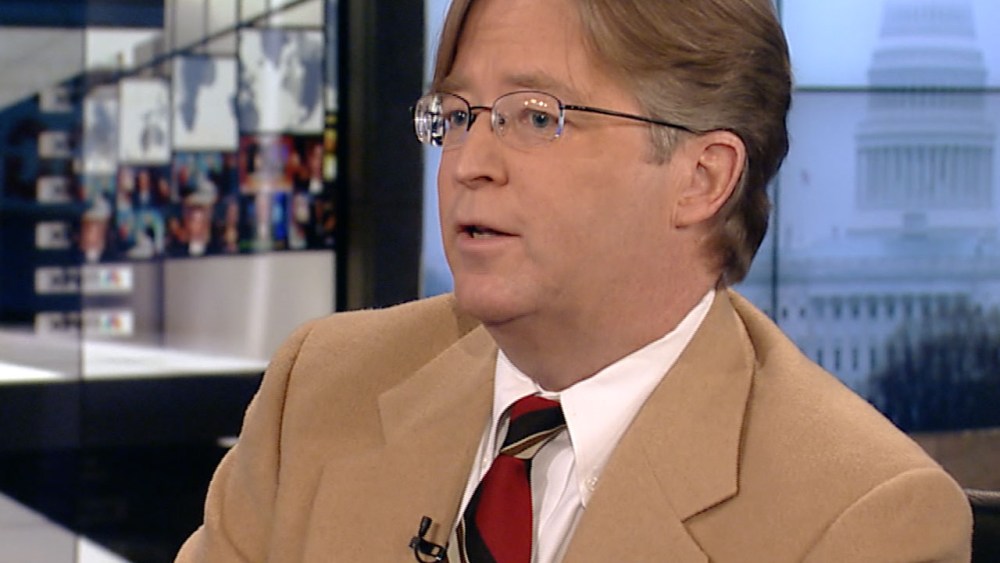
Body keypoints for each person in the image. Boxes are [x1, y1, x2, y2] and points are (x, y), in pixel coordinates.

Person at [177, 0, 973, 561]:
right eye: (457, 116)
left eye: (535, 117)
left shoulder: (861, 520)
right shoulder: (322, 388)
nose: (470, 164)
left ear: (701, 177)